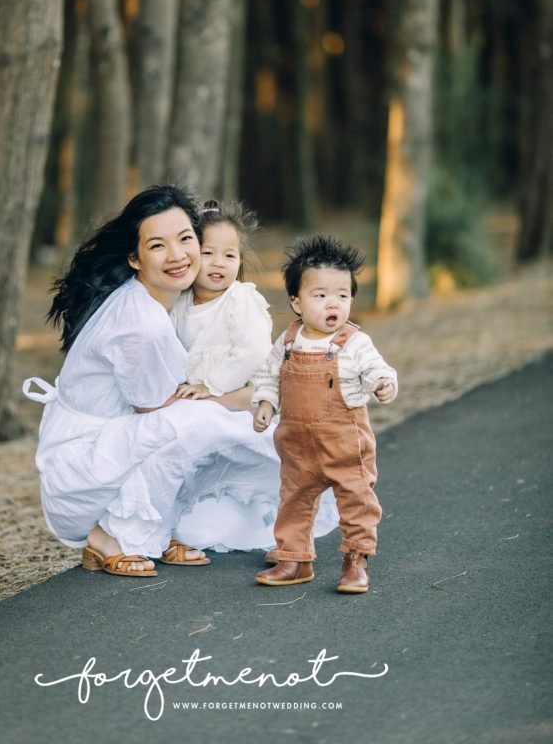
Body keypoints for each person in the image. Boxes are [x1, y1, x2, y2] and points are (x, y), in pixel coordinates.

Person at [22, 185, 337, 578]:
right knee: (201, 422)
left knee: (221, 434)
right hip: (83, 477)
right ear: (134, 258)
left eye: (186, 239)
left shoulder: (159, 300)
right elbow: (158, 412)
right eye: (157, 245)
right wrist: (244, 398)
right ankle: (109, 537)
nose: (177, 255)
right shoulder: (143, 323)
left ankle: (159, 529)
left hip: (107, 452)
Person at [252, 234, 398, 593]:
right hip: (297, 444)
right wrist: (266, 404)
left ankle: (356, 558)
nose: (333, 303)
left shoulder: (354, 342)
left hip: (344, 443)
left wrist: (383, 384)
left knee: (356, 499)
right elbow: (268, 377)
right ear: (296, 302)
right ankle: (294, 558)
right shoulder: (288, 341)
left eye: (342, 296)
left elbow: (378, 369)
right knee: (294, 499)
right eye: (320, 296)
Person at [170, 199, 273, 403]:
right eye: (208, 253)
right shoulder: (179, 302)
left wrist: (211, 386)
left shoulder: (240, 300)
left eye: (229, 256)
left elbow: (254, 352)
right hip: (195, 396)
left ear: (240, 260)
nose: (219, 263)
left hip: (242, 396)